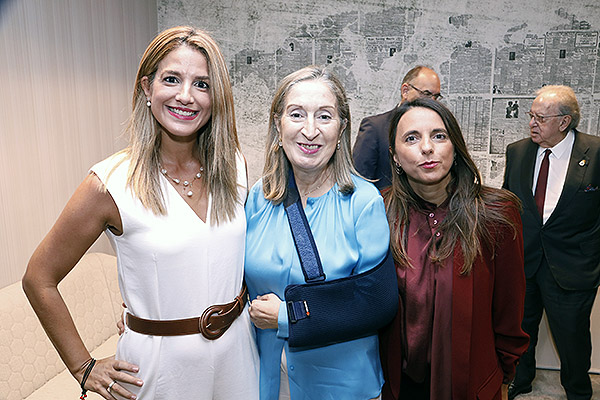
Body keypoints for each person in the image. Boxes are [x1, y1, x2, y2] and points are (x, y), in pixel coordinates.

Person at [22, 26, 259, 400]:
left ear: (216, 98)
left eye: (202, 84)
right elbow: (39, 278)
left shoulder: (234, 166)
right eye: (171, 79)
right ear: (147, 88)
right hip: (158, 371)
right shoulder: (110, 183)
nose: (186, 96)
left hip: (238, 355)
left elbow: (223, 260)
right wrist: (83, 367)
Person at [245, 66, 390, 399]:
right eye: (297, 114)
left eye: (324, 116)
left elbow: (375, 303)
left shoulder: (363, 202)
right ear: (278, 124)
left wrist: (288, 316)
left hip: (343, 386)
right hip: (266, 380)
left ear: (341, 129)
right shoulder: (258, 198)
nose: (310, 131)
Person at [380, 98, 529, 400]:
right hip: (398, 385)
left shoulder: (495, 213)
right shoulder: (379, 212)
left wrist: (504, 374)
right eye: (412, 138)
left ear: (455, 146)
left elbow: (509, 308)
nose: (427, 148)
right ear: (395, 156)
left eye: (439, 135)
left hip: (471, 384)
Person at [503, 85, 600, 400]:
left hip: (573, 265)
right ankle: (521, 379)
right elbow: (508, 203)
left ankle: (577, 390)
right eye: (531, 116)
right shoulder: (517, 152)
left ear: (564, 122)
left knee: (572, 338)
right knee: (521, 328)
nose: (532, 123)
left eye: (541, 118)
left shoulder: (595, 152)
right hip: (526, 261)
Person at [353, 66, 442, 190]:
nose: (432, 101)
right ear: (405, 91)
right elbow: (359, 181)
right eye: (426, 94)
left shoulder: (441, 129)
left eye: (436, 97)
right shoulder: (376, 127)